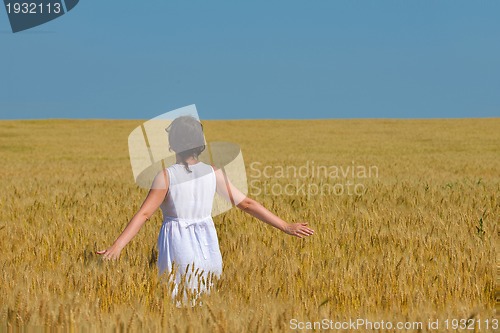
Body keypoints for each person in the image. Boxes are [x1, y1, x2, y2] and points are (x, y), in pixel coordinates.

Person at [97, 116, 314, 303]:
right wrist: (286, 226)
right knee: (204, 300)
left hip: (178, 244)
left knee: (177, 300)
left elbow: (144, 214)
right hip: (207, 246)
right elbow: (247, 204)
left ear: (172, 143)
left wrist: (117, 246)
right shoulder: (213, 172)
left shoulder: (166, 176)